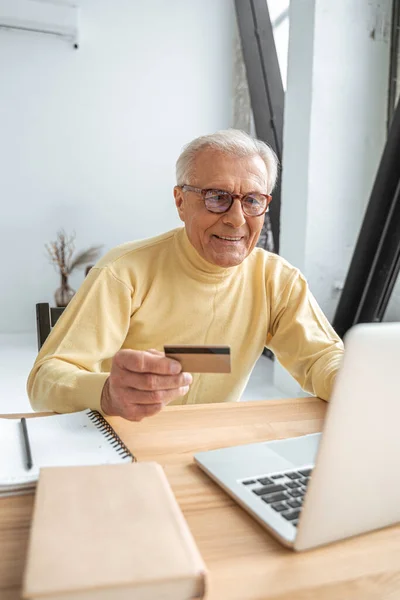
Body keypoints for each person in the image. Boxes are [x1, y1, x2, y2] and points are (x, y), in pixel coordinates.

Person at [27, 130, 344, 421]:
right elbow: (44, 380)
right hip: (121, 444)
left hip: (212, 447)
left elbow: (322, 359)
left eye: (251, 200)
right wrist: (106, 392)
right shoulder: (123, 272)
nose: (237, 220)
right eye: (217, 197)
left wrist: (356, 382)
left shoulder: (277, 279)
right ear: (180, 201)